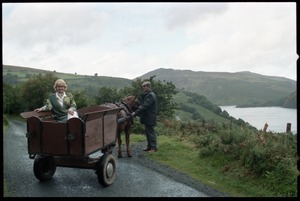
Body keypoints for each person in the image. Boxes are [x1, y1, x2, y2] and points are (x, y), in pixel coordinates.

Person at [132, 81, 158, 153]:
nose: (143, 88)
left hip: (150, 117)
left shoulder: (151, 95)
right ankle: (149, 147)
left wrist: (135, 113)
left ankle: (153, 148)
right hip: (147, 117)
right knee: (148, 132)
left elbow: (145, 106)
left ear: (148, 86)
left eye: (144, 87)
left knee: (151, 132)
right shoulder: (148, 95)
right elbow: (143, 105)